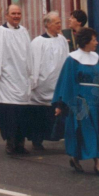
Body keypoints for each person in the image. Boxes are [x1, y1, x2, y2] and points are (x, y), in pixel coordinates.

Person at [52, 27, 99, 176]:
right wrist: (61, 104)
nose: (97, 42)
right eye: (94, 40)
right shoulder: (72, 59)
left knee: (92, 130)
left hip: (95, 101)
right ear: (86, 41)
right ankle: (97, 162)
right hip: (79, 101)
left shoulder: (96, 58)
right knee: (87, 130)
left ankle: (75, 157)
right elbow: (66, 82)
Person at [0, 4, 33, 155]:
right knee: (9, 113)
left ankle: (20, 143)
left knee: (22, 114)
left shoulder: (24, 32)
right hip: (5, 80)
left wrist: (30, 74)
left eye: (18, 13)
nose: (16, 16)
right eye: (13, 13)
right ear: (6, 16)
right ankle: (10, 142)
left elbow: (29, 54)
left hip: (21, 79)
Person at [30, 11, 69, 149]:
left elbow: (66, 59)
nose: (60, 25)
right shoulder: (37, 42)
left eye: (60, 22)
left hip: (58, 83)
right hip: (42, 85)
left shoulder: (63, 40)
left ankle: (57, 136)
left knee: (58, 113)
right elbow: (33, 63)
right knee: (41, 115)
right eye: (57, 23)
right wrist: (33, 82)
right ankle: (37, 140)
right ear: (47, 24)